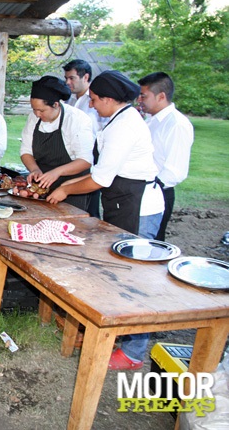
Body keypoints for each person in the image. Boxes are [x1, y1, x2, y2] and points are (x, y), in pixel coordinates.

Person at [45, 70, 165, 370]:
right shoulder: (117, 120)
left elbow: (99, 179)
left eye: (96, 100)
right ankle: (110, 335)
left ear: (110, 100)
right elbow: (100, 170)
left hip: (140, 207)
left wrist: (64, 188)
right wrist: (65, 186)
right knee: (115, 270)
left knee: (135, 278)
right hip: (122, 201)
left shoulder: (123, 127)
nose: (93, 105)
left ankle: (133, 351)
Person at [19, 76, 94, 211]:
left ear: (56, 105)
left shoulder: (77, 120)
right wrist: (35, 169)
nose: (36, 114)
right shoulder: (33, 118)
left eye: (41, 110)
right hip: (42, 186)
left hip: (71, 188)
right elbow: (26, 151)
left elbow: (85, 160)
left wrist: (57, 172)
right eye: (34, 109)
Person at [137, 72, 194, 241]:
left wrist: (151, 189)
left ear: (161, 96)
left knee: (151, 244)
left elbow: (175, 170)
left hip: (158, 192)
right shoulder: (151, 120)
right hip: (142, 189)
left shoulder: (177, 124)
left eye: (143, 95)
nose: (139, 99)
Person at [63, 59, 108, 218]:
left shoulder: (96, 102)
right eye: (66, 78)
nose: (68, 82)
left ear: (86, 77)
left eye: (72, 78)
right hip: (70, 159)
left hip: (88, 160)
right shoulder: (71, 99)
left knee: (88, 211)